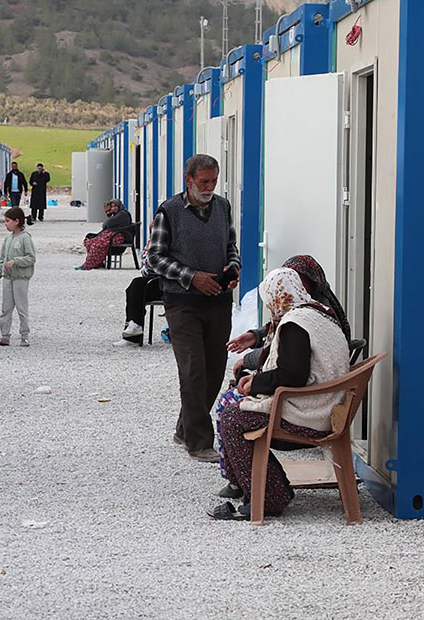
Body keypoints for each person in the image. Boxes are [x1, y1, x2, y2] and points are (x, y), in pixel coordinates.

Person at [207, 267, 350, 520]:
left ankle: (270, 497)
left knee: (231, 417)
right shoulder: (319, 312)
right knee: (234, 409)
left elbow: (292, 374)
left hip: (310, 412)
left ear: (276, 297)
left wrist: (256, 384)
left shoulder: (295, 324)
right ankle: (264, 487)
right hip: (326, 403)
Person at [145, 154, 239, 463]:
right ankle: (199, 442)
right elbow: (153, 259)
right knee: (193, 369)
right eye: (203, 182)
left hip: (219, 300)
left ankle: (185, 427)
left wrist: (232, 269)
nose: (209, 187)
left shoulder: (223, 207)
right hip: (182, 302)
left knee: (214, 370)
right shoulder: (169, 212)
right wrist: (192, 277)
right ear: (189, 180)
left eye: (213, 181)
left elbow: (231, 247)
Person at [227, 254, 351, 377]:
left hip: (314, 389)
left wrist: (251, 372)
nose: (292, 288)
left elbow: (289, 367)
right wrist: (256, 336)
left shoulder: (298, 322)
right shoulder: (320, 309)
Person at [0, 207, 36, 347]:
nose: (5, 224)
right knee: (6, 308)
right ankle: (5, 336)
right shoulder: (8, 239)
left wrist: (16, 261)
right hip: (8, 277)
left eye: (7, 221)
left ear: (17, 221)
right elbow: (3, 257)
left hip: (21, 278)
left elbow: (31, 258)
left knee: (22, 307)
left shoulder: (25, 238)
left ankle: (24, 336)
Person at [113, 245, 162, 347]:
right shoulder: (155, 237)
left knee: (137, 285)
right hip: (158, 279)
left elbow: (155, 265)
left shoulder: (164, 237)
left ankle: (134, 328)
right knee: (134, 287)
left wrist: (150, 252)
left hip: (172, 282)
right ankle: (133, 326)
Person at [77, 199, 135, 270]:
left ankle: (88, 265)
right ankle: (98, 263)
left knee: (97, 245)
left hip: (118, 236)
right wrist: (110, 214)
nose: (114, 208)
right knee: (90, 242)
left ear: (119, 206)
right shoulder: (117, 214)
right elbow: (107, 225)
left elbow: (107, 224)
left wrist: (109, 217)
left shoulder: (123, 214)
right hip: (113, 234)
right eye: (112, 207)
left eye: (115, 206)